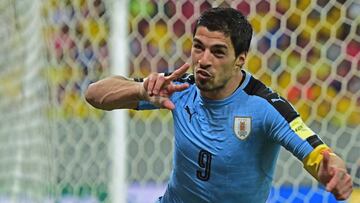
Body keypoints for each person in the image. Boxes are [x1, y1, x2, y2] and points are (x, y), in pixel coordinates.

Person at [85, 7, 353, 203]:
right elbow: (94, 94)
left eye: (218, 52)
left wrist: (335, 172)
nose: (203, 60)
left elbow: (318, 153)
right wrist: (141, 90)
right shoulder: (178, 88)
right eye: (198, 47)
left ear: (240, 59)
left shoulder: (265, 107)